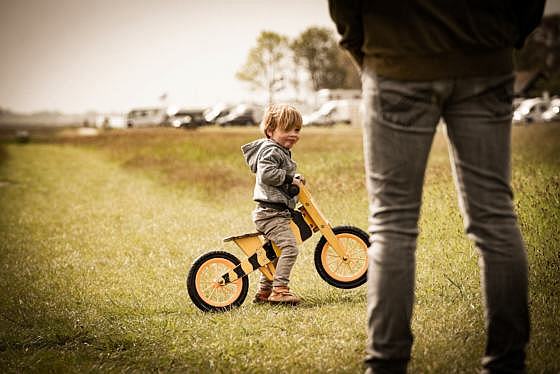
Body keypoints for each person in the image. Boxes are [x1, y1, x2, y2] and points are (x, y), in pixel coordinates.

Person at [328, 1, 545, 373]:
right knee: (495, 218)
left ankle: (385, 364)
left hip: (397, 58)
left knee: (391, 224)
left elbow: (345, 6)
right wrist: (501, 40)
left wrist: (365, 46)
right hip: (485, 57)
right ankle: (507, 363)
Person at [241, 104, 303, 305]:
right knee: (289, 248)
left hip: (272, 212)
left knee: (272, 253)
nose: (293, 134)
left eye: (297, 129)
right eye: (287, 130)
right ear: (270, 131)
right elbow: (267, 174)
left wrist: (294, 179)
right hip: (271, 214)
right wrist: (288, 179)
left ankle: (264, 291)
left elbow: (279, 175)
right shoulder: (271, 149)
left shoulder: (280, 149)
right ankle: (280, 290)